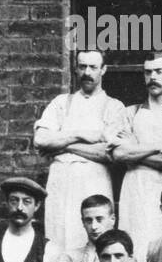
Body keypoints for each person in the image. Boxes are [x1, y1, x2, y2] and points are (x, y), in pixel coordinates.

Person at [33, 47, 127, 250]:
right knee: (58, 239)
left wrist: (64, 145)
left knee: (95, 241)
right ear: (76, 69)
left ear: (103, 69)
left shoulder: (114, 106)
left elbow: (107, 153)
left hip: (93, 179)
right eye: (82, 67)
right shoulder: (61, 103)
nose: (87, 73)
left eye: (93, 67)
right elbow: (41, 140)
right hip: (60, 180)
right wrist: (81, 135)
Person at [109, 53, 162, 259]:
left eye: (158, 71)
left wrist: (135, 148)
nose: (152, 77)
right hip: (134, 191)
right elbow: (119, 154)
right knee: (134, 250)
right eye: (148, 72)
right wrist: (161, 146)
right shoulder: (131, 112)